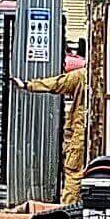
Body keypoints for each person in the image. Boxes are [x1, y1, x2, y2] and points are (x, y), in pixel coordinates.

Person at [14, 52, 90, 204]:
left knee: (74, 174)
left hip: (80, 135)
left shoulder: (83, 76)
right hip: (96, 135)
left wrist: (28, 85)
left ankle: (68, 213)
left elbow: (57, 83)